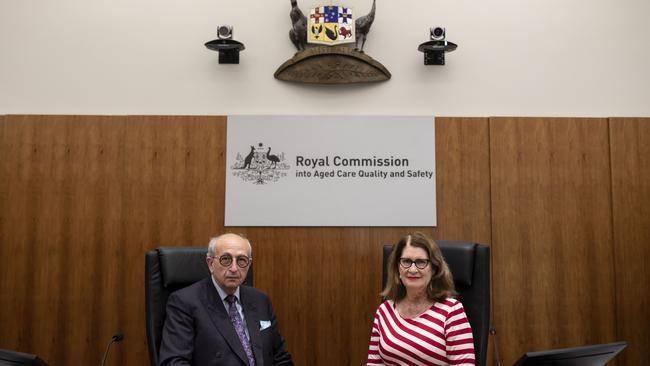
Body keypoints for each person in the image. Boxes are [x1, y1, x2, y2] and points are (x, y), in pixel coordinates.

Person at [159, 233, 293, 366]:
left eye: (241, 260)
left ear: (249, 264)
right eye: (226, 259)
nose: (234, 268)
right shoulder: (184, 302)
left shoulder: (260, 300)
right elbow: (174, 362)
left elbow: (280, 358)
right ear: (211, 264)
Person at [367, 232, 475, 366]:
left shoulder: (451, 311)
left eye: (421, 262)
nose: (412, 269)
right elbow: (374, 363)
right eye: (406, 261)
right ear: (397, 268)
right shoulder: (384, 311)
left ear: (434, 268)